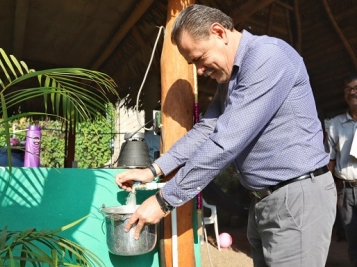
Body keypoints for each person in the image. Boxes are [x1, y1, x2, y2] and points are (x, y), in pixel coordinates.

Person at [115, 4, 336, 266]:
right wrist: (153, 170)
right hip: (264, 201)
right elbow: (206, 130)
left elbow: (225, 142)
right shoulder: (230, 79)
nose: (198, 70)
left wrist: (164, 200)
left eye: (198, 58)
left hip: (295, 197)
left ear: (219, 32)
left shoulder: (268, 57)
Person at [326, 73, 357, 267]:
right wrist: (329, 192)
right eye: (348, 89)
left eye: (356, 88)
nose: (352, 92)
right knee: (352, 240)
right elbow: (330, 160)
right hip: (345, 190)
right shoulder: (336, 124)